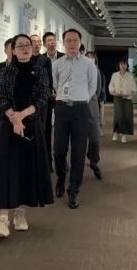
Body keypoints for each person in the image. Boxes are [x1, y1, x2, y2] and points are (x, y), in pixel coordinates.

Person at [0, 34, 54, 238]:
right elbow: (0, 96)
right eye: (20, 46)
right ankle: (2, 220)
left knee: (25, 169)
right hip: (8, 126)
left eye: (28, 45)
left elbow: (42, 97)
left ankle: (20, 213)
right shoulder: (6, 71)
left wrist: (22, 116)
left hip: (31, 125)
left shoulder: (41, 71)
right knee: (5, 169)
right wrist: (14, 118)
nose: (25, 48)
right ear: (13, 50)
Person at [52, 29, 97, 209]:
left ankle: (73, 190)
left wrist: (82, 99)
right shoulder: (56, 64)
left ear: (80, 42)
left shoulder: (89, 63)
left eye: (75, 40)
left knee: (79, 151)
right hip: (62, 109)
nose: (72, 44)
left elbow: (92, 86)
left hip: (80, 109)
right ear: (63, 43)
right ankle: (61, 176)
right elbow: (55, 84)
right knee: (58, 150)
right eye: (68, 41)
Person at [30, 34, 54, 171]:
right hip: (27, 104)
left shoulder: (46, 60)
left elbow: (48, 81)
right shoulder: (24, 59)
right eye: (34, 42)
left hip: (43, 104)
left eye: (39, 42)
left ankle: (46, 164)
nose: (37, 44)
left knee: (44, 133)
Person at [41, 31, 64, 171]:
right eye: (49, 40)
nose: (52, 42)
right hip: (46, 99)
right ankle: (47, 163)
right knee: (46, 131)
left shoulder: (64, 57)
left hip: (62, 98)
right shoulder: (41, 59)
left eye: (54, 40)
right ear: (44, 43)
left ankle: (61, 161)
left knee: (62, 131)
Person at [109, 60, 137, 144]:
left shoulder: (130, 76)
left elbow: (134, 89)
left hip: (127, 99)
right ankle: (115, 132)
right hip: (117, 98)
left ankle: (124, 135)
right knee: (118, 116)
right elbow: (110, 87)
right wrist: (114, 93)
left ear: (127, 66)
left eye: (124, 64)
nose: (123, 66)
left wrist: (129, 94)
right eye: (121, 64)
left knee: (127, 117)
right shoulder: (115, 75)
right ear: (119, 65)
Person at [85, 51, 103, 180]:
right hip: (79, 109)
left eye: (93, 58)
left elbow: (98, 90)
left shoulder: (97, 71)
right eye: (88, 57)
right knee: (78, 141)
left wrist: (91, 99)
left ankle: (94, 161)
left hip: (92, 108)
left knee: (95, 139)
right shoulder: (79, 70)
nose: (90, 59)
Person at [99, 68, 107, 137]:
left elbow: (103, 87)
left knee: (101, 114)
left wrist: (103, 97)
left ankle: (100, 129)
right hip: (90, 97)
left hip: (100, 96)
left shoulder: (100, 73)